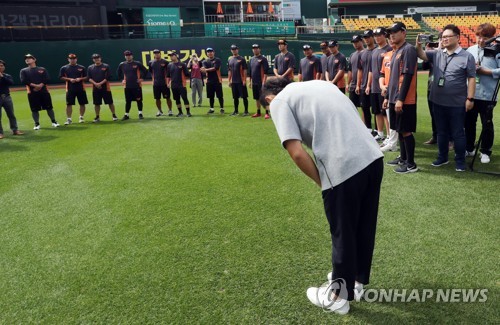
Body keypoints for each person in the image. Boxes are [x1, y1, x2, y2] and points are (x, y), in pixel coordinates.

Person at [261, 77, 383, 315]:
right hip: (372, 156)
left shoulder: (278, 101)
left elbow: (296, 152)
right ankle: (354, 281)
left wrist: (323, 182)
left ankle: (338, 296)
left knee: (343, 230)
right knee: (363, 225)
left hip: (343, 165)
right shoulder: (321, 84)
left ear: (268, 98)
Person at [416, 24, 476, 172]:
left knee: (458, 133)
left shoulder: (467, 56)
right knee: (441, 132)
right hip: (437, 101)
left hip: (457, 103)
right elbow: (421, 55)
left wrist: (470, 98)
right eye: (443, 37)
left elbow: (472, 78)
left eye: (448, 36)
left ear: (457, 37)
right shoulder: (437, 54)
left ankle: (460, 161)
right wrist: (418, 45)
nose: (445, 39)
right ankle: (442, 157)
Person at [384, 22, 419, 174]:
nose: (392, 35)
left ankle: (411, 164)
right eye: (390, 32)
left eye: (395, 31)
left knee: (406, 131)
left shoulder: (408, 49)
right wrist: (388, 97)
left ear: (403, 33)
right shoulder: (396, 51)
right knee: (399, 129)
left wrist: (400, 99)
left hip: (405, 99)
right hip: (394, 98)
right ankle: (403, 158)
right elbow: (392, 78)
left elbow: (407, 76)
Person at [465, 23, 499, 164]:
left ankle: (485, 151)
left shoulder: (497, 50)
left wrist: (486, 71)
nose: (481, 40)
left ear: (492, 37)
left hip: (488, 95)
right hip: (470, 94)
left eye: (485, 37)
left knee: (487, 124)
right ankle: (469, 147)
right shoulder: (470, 50)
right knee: (468, 123)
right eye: (478, 36)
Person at [20, 54, 60, 130]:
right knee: (34, 109)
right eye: (26, 59)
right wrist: (35, 86)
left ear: (34, 60)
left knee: (49, 108)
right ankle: (37, 124)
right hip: (32, 93)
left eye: (29, 58)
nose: (27, 60)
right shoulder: (24, 71)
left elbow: (47, 79)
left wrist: (40, 85)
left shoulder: (42, 69)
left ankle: (54, 121)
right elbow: (24, 81)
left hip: (44, 92)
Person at [369, 27, 392, 142]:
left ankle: (389, 135)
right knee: (377, 111)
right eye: (375, 36)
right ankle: (380, 133)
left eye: (379, 35)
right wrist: (369, 85)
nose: (377, 38)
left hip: (384, 87)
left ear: (385, 36)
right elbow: (371, 71)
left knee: (385, 113)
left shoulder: (389, 49)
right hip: (374, 86)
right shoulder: (374, 51)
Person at [422, 33, 443, 145]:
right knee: (433, 113)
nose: (441, 41)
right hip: (431, 87)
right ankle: (435, 136)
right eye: (440, 39)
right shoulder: (432, 54)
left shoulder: (446, 54)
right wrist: (427, 51)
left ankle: (449, 139)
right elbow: (424, 66)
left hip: (443, 89)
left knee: (444, 115)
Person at [379, 38, 399, 153]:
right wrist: (382, 86)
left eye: (393, 38)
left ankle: (392, 142)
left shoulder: (401, 54)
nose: (391, 40)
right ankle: (392, 142)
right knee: (390, 118)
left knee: (396, 119)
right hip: (387, 90)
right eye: (389, 39)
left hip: (397, 91)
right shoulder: (387, 55)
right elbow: (382, 73)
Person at [117, 50, 148, 120]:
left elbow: (145, 70)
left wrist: (142, 78)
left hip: (137, 85)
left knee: (139, 100)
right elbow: (118, 73)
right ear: (125, 56)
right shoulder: (122, 64)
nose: (128, 56)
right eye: (126, 55)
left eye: (129, 55)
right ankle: (126, 115)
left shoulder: (137, 63)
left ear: (132, 56)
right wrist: (122, 80)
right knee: (128, 101)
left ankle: (140, 114)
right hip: (127, 86)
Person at [356, 30, 376, 136]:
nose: (366, 39)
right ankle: (368, 128)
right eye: (365, 37)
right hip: (364, 85)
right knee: (365, 108)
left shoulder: (377, 51)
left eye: (368, 37)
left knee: (377, 110)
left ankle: (378, 130)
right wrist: (358, 85)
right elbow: (360, 70)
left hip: (375, 86)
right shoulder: (362, 53)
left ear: (373, 37)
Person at [87, 53, 118, 122]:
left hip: (105, 88)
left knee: (110, 102)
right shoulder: (90, 67)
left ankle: (114, 115)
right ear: (93, 59)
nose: (96, 59)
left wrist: (100, 83)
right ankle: (97, 117)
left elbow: (108, 77)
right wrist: (95, 84)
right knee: (97, 103)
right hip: (95, 88)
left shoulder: (106, 66)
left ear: (100, 58)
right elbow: (89, 78)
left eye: (98, 58)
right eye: (95, 58)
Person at [59, 53, 88, 125]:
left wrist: (80, 79)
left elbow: (86, 77)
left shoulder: (82, 67)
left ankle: (81, 117)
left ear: (76, 59)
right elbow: (61, 77)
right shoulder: (64, 68)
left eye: (74, 58)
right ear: (68, 59)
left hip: (81, 88)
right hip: (70, 88)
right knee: (69, 104)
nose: (72, 60)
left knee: (82, 103)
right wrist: (69, 79)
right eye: (71, 59)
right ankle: (69, 119)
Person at [0, 60, 23, 138]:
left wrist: (2, 77)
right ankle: (0, 133)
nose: (0, 67)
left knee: (11, 114)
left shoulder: (7, 75)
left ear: (4, 67)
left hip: (6, 97)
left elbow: (11, 83)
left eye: (2, 65)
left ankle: (15, 130)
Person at [148, 49, 173, 117]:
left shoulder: (165, 62)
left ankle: (170, 110)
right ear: (153, 54)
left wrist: (168, 82)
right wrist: (154, 79)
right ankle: (160, 111)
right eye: (155, 53)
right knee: (157, 98)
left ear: (160, 53)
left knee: (168, 98)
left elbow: (169, 72)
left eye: (158, 53)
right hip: (156, 84)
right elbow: (151, 72)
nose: (156, 54)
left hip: (164, 84)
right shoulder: (151, 62)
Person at [167, 51, 191, 117]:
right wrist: (168, 83)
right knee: (177, 99)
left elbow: (187, 74)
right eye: (170, 56)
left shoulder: (182, 64)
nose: (171, 57)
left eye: (172, 55)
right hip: (174, 85)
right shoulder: (169, 65)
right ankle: (180, 112)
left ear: (176, 56)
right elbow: (168, 76)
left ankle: (188, 112)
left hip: (181, 85)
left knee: (184, 98)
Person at [248, 44, 270, 119]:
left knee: (264, 97)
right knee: (256, 98)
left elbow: (266, 72)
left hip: (261, 82)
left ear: (259, 49)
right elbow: (250, 72)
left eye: (257, 48)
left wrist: (264, 82)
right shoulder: (251, 59)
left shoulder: (263, 59)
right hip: (254, 82)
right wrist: (250, 81)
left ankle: (267, 113)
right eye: (254, 48)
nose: (255, 50)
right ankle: (258, 112)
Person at [227, 44, 249, 116]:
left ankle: (246, 111)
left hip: (241, 81)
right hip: (234, 81)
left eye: (235, 49)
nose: (234, 50)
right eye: (232, 49)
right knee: (235, 97)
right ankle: (236, 111)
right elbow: (229, 71)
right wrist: (229, 80)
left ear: (237, 50)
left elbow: (245, 70)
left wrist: (244, 80)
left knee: (244, 97)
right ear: (231, 50)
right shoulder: (230, 59)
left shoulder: (242, 59)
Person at [201, 47, 224, 114]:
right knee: (211, 96)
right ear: (207, 53)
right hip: (209, 81)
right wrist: (205, 70)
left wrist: (206, 70)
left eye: (211, 51)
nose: (210, 53)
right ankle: (211, 108)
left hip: (217, 80)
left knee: (220, 95)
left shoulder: (217, 60)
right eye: (208, 52)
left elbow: (215, 68)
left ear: (213, 52)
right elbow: (204, 69)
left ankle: (222, 108)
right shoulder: (205, 61)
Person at [347, 35, 364, 111]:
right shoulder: (352, 55)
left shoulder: (366, 53)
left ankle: (364, 123)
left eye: (357, 42)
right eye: (354, 42)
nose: (355, 44)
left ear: (362, 41)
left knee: (364, 108)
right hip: (353, 85)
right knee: (352, 108)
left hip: (363, 84)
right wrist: (348, 83)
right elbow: (350, 70)